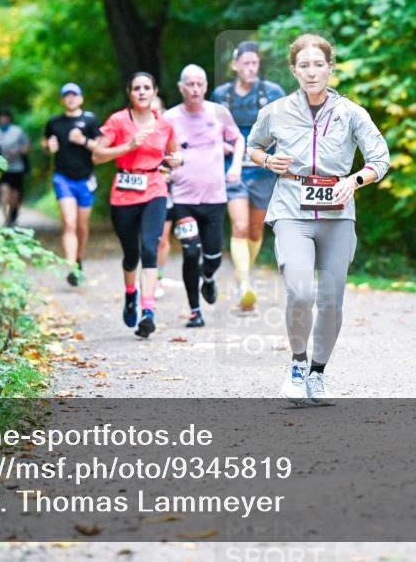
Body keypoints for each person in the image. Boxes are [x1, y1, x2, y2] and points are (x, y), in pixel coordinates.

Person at [247, 34, 390, 406]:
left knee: (330, 300)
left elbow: (381, 158)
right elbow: (253, 146)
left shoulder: (352, 113)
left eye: (318, 64)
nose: (312, 73)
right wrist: (267, 161)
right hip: (292, 209)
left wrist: (354, 181)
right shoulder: (275, 111)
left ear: (330, 67)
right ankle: (297, 365)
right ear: (294, 70)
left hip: (338, 215)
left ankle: (317, 374)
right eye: (304, 66)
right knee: (300, 291)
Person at [92, 72, 180, 339]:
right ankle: (131, 295)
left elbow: (174, 154)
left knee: (150, 248)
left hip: (154, 188)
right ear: (129, 93)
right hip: (124, 194)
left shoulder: (164, 125)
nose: (142, 92)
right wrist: (128, 146)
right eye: (137, 88)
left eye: (147, 88)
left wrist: (175, 160)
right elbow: (97, 155)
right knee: (131, 255)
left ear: (154, 91)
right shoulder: (118, 121)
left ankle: (148, 311)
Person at [165, 64, 244, 328]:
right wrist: (164, 168)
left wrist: (235, 166)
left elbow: (238, 141)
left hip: (214, 198)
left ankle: (208, 279)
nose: (195, 88)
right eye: (190, 84)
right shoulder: (169, 118)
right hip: (183, 198)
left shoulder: (218, 112)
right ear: (181, 87)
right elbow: (158, 152)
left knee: (213, 257)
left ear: (206, 86)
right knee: (190, 251)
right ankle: (194, 310)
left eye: (200, 83)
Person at [211, 41, 285, 311]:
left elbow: (287, 127)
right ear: (235, 65)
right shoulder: (221, 95)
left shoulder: (272, 92)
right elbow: (209, 129)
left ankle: (244, 273)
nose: (251, 67)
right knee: (239, 226)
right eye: (246, 63)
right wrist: (219, 144)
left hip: (263, 169)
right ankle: (244, 285)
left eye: (255, 63)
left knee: (255, 230)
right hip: (232, 169)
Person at [43, 82, 101, 286]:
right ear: (62, 100)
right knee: (69, 222)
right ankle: (72, 268)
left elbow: (101, 149)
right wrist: (49, 146)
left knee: (82, 226)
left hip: (85, 180)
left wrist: (83, 141)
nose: (70, 98)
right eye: (66, 95)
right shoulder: (54, 122)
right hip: (63, 178)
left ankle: (78, 259)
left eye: (74, 95)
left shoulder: (91, 120)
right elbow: (45, 143)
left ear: (81, 98)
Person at [0, 110, 29, 227]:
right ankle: (5, 219)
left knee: (15, 195)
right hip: (1, 169)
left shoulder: (18, 132)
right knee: (3, 191)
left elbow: (26, 147)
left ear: (9, 120)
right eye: (1, 120)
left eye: (5, 119)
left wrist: (18, 151)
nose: (3, 122)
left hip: (17, 168)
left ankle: (12, 216)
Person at [151, 95, 172, 300]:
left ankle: (158, 277)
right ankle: (146, 275)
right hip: (144, 192)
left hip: (168, 191)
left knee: (163, 238)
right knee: (148, 238)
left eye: (158, 110)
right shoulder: (138, 134)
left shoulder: (171, 133)